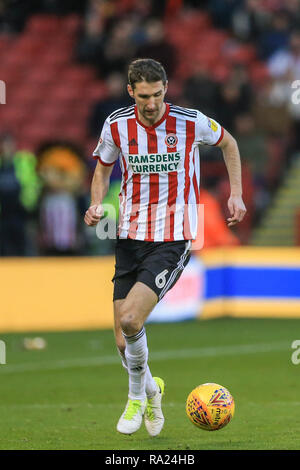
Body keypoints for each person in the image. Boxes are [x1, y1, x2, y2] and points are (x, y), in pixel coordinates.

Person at [84, 58, 246, 436]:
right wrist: (95, 204)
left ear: (166, 88)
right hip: (129, 236)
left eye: (157, 94)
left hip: (173, 237)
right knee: (123, 344)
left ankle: (136, 399)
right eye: (144, 96)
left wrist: (235, 194)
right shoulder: (117, 125)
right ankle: (153, 389)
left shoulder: (190, 122)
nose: (152, 103)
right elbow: (102, 168)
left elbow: (230, 143)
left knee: (130, 319)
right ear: (130, 93)